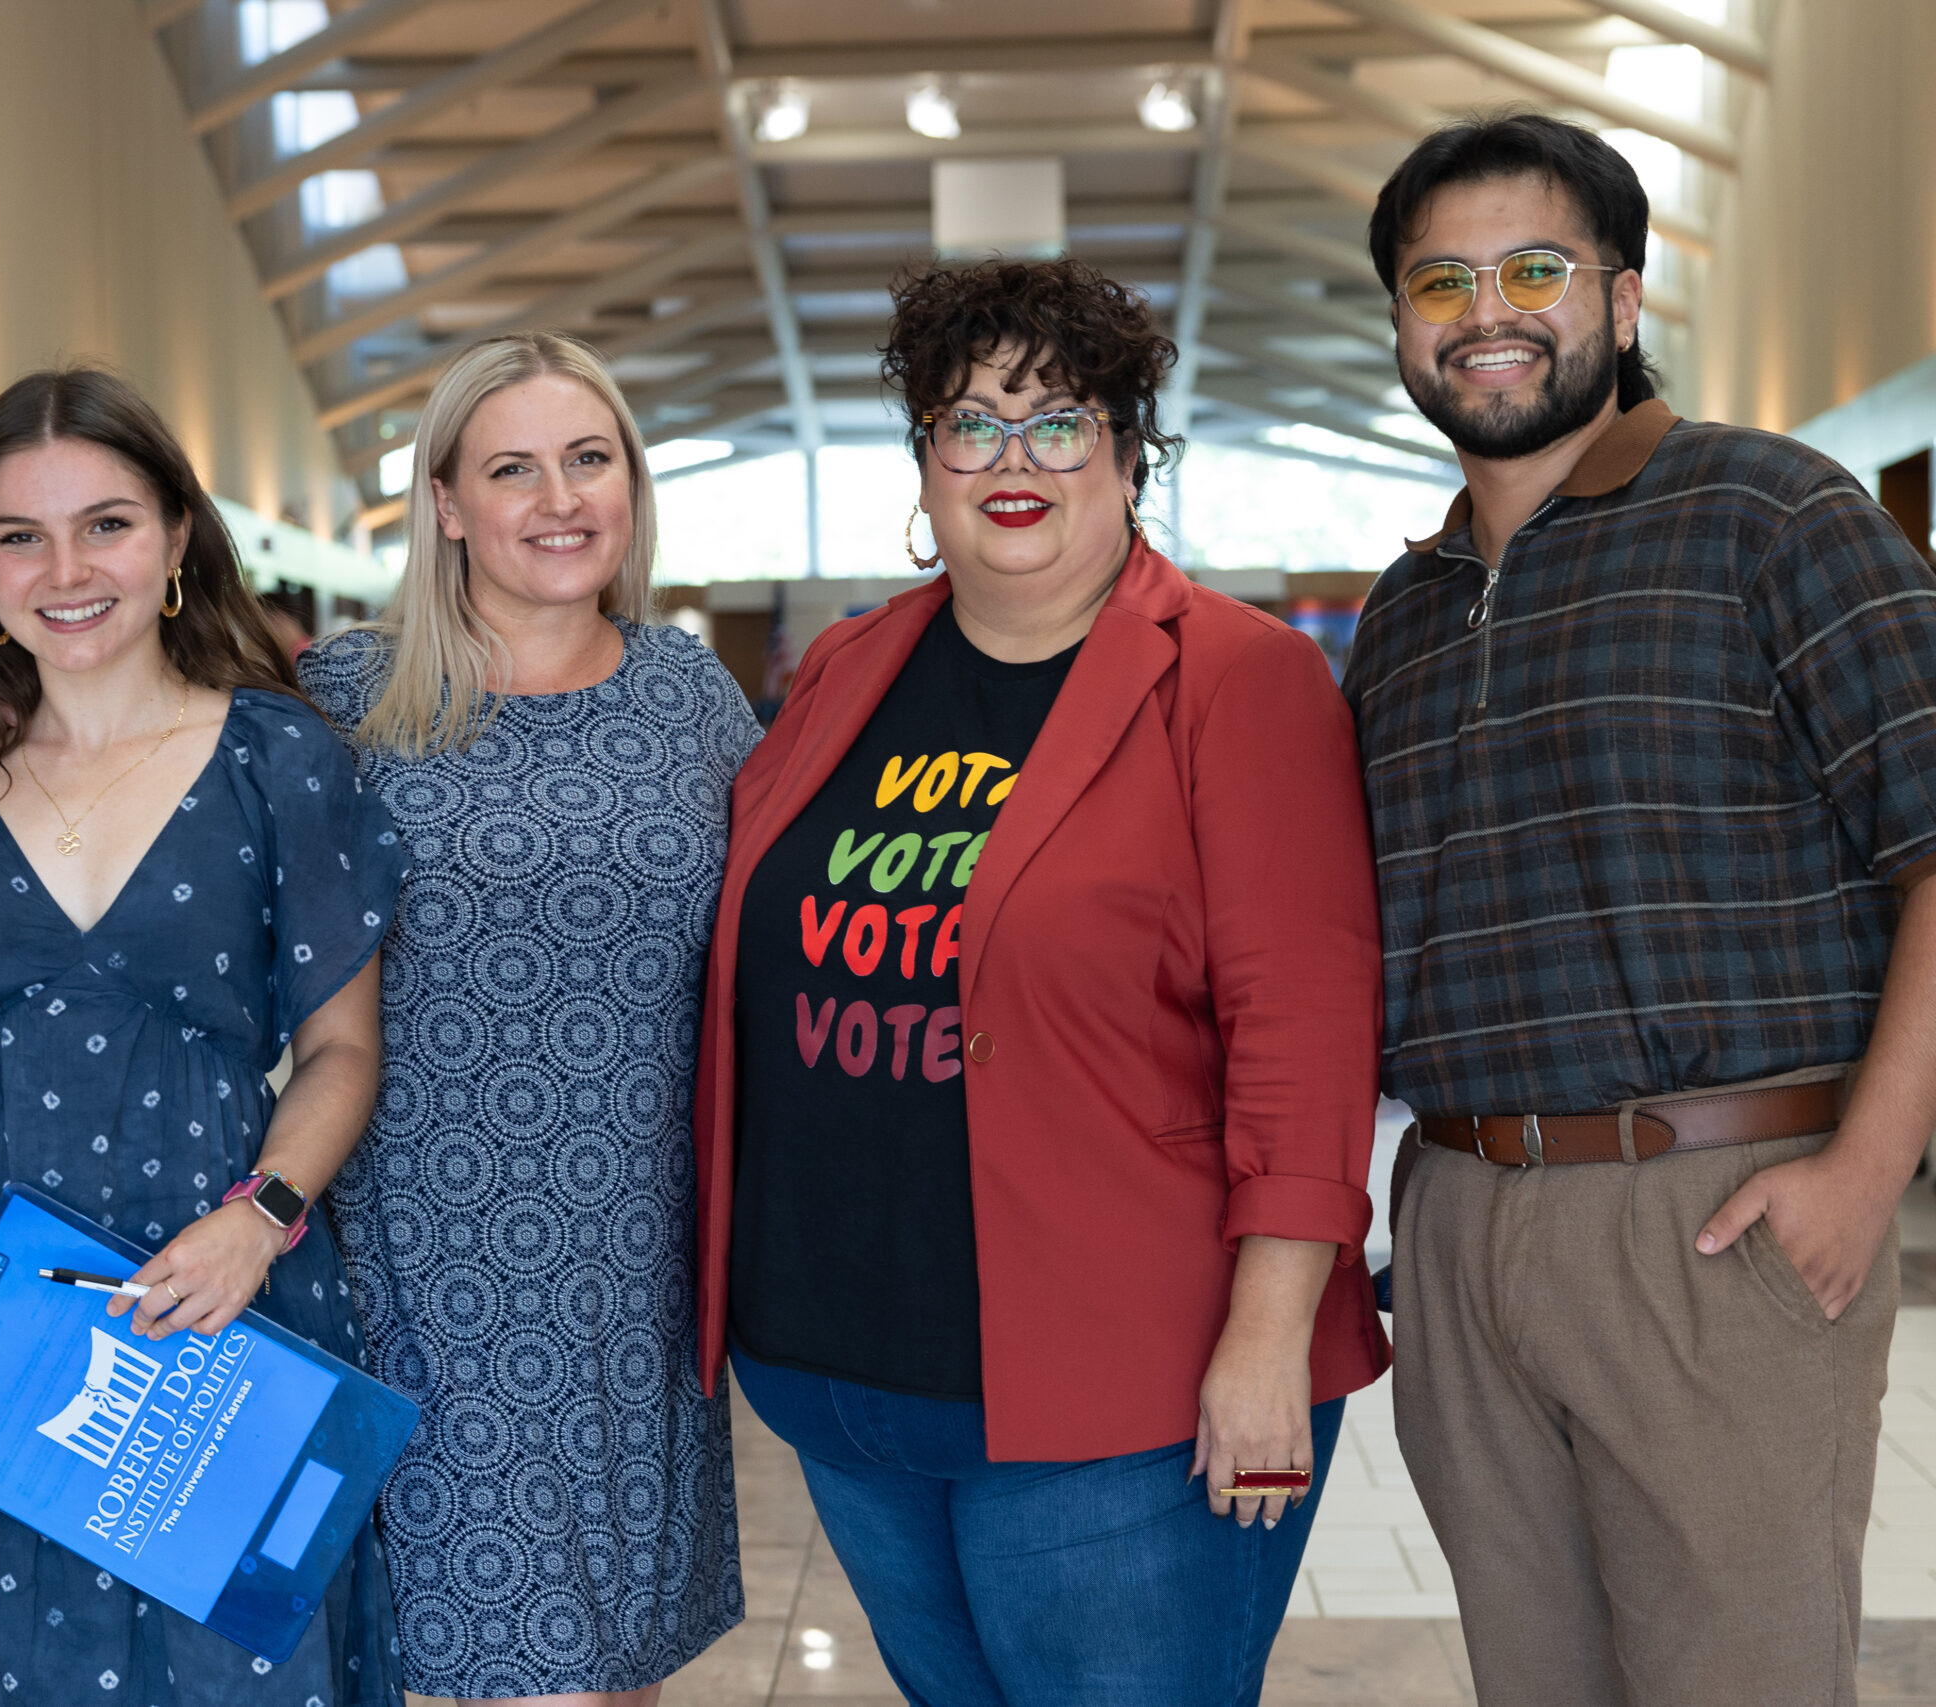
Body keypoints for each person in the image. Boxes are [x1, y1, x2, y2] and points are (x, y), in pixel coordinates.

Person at [691, 259, 1390, 1707]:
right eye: (971, 424)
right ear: (925, 464)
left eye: (1060, 421)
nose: (1014, 461)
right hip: (845, 1374)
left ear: (1130, 455)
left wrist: (1268, 1340)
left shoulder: (1239, 681)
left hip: (1122, 1389)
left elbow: (1306, 1035)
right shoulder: (849, 669)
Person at [1348, 113, 1936, 1707]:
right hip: (1464, 1217)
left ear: (1620, 295)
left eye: (1534, 266)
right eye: (1439, 279)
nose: (1487, 311)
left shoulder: (1771, 514)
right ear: (1397, 321)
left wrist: (1864, 1174)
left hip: (1718, 1209)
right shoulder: (1400, 615)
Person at [0, 368, 407, 1706]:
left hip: (216, 1271)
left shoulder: (278, 760)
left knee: (225, 1662)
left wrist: (258, 1220)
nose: (66, 568)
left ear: (174, 544)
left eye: (107, 523)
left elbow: (343, 1052)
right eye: (19, 535)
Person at [299, 332, 755, 1704]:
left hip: (642, 1274)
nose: (560, 499)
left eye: (588, 459)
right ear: (446, 503)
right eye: (513, 469)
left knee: (615, 1666)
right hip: (417, 1269)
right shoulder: (346, 699)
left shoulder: (695, 701)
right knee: (492, 1664)